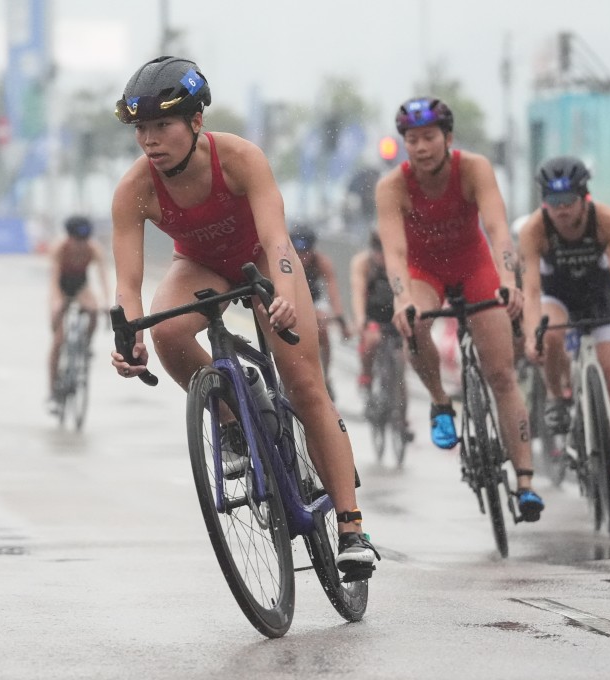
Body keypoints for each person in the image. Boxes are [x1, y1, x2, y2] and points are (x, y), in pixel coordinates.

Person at [108, 56, 378, 575]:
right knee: (166, 331)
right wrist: (128, 336)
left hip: (261, 260)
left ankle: (351, 527)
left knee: (305, 385)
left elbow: (277, 239)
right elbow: (127, 284)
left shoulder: (239, 158)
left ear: (195, 122)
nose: (150, 141)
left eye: (162, 125)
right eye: (141, 129)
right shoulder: (134, 188)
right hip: (201, 265)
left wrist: (280, 288)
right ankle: (233, 422)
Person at [374, 97, 544, 521]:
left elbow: (498, 228)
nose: (421, 147)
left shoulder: (474, 169)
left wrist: (508, 281)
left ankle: (525, 482)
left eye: (429, 137)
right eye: (412, 140)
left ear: (448, 138)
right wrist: (401, 298)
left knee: (502, 373)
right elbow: (394, 253)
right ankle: (439, 402)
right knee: (415, 323)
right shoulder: (392, 187)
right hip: (423, 271)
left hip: (474, 266)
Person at [518, 156, 610, 506]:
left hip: (598, 295)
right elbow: (532, 291)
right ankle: (556, 395)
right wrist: (530, 335)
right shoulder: (534, 230)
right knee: (551, 334)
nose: (561, 211)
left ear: (584, 196)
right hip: (557, 294)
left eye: (568, 202)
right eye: (553, 203)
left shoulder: (608, 221)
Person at [349, 230, 411, 440]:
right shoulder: (363, 264)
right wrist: (360, 321)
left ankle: (402, 418)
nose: (382, 258)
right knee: (372, 341)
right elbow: (358, 293)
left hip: (396, 316)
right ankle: (366, 376)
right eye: (378, 252)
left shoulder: (401, 262)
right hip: (373, 317)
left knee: (402, 360)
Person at [47, 215, 110, 414]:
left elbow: (103, 277)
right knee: (58, 341)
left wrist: (106, 303)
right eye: (77, 241)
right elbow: (54, 281)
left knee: (93, 311)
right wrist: (57, 304)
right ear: (69, 238)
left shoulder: (93, 249)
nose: (81, 245)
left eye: (84, 241)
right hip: (62, 288)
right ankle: (53, 392)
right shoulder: (59, 249)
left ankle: (85, 345)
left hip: (80, 286)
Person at [290, 224, 352, 398]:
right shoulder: (286, 261)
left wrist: (340, 319)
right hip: (291, 298)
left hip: (313, 300)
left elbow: (333, 293)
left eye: (306, 252)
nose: (302, 257)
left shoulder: (322, 262)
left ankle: (326, 375)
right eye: (298, 252)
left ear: (312, 250)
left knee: (322, 328)